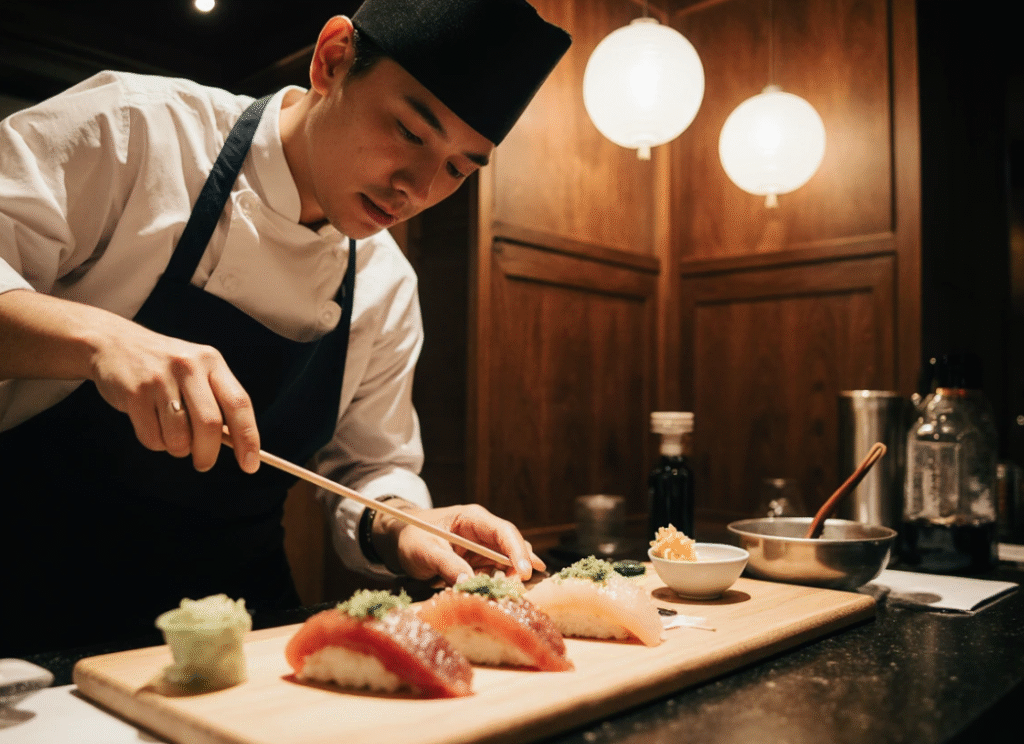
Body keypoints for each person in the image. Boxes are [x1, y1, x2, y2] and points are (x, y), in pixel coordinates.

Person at [0, 0, 570, 656]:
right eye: (410, 133)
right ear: (333, 60)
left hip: (247, 628)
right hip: (28, 604)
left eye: (457, 168)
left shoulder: (385, 284)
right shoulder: (137, 130)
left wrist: (406, 522)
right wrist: (101, 340)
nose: (416, 188)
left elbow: (371, 465)